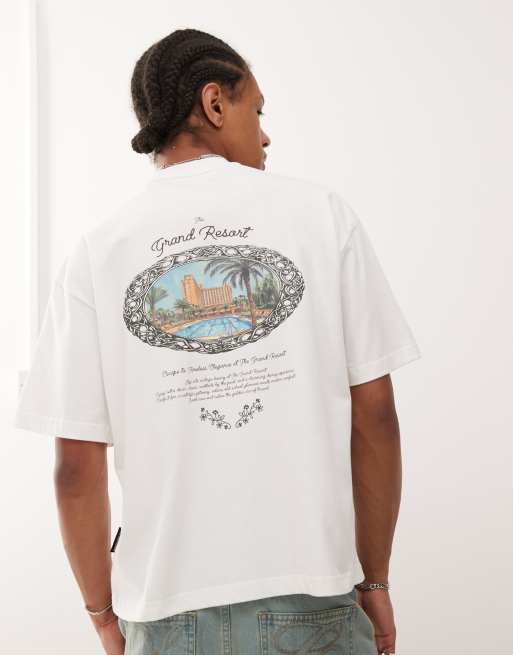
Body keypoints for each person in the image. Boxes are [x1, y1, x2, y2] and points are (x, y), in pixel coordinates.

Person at [13, 27, 421, 655]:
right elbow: (376, 416)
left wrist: (101, 613)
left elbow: (74, 469)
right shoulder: (321, 216)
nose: (265, 135)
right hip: (312, 598)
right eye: (257, 111)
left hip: (165, 614)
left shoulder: (97, 252)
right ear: (214, 103)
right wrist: (375, 579)